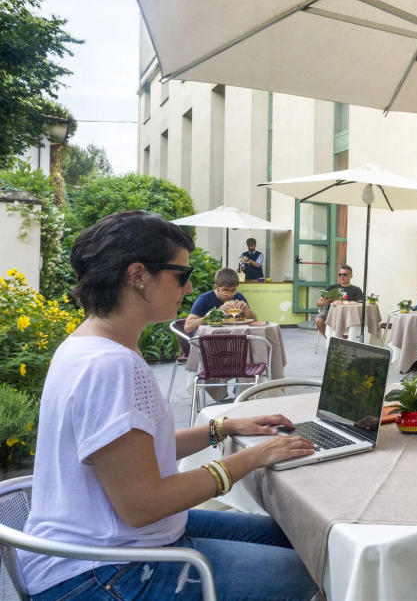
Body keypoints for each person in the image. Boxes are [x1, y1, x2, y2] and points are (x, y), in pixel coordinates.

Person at [19, 211, 319, 601]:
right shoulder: (111, 365)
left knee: (295, 536)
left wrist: (223, 428)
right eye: (182, 274)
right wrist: (254, 456)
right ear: (138, 275)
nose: (190, 286)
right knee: (311, 568)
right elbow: (144, 505)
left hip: (107, 542)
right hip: (101, 571)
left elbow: (136, 454)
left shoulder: (86, 345)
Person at [184, 267, 256, 335]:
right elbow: (187, 327)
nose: (230, 294)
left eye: (233, 290)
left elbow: (255, 321)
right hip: (207, 339)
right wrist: (215, 314)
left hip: (233, 338)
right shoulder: (204, 299)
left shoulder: (238, 297)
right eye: (225, 290)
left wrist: (247, 310)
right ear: (216, 287)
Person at [314, 264, 365, 336]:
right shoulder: (332, 287)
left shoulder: (356, 289)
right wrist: (323, 303)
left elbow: (361, 302)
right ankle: (330, 339)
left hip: (348, 315)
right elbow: (318, 303)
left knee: (353, 322)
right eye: (340, 274)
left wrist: (349, 303)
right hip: (331, 312)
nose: (342, 277)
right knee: (318, 320)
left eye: (345, 274)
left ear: (351, 276)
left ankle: (343, 339)